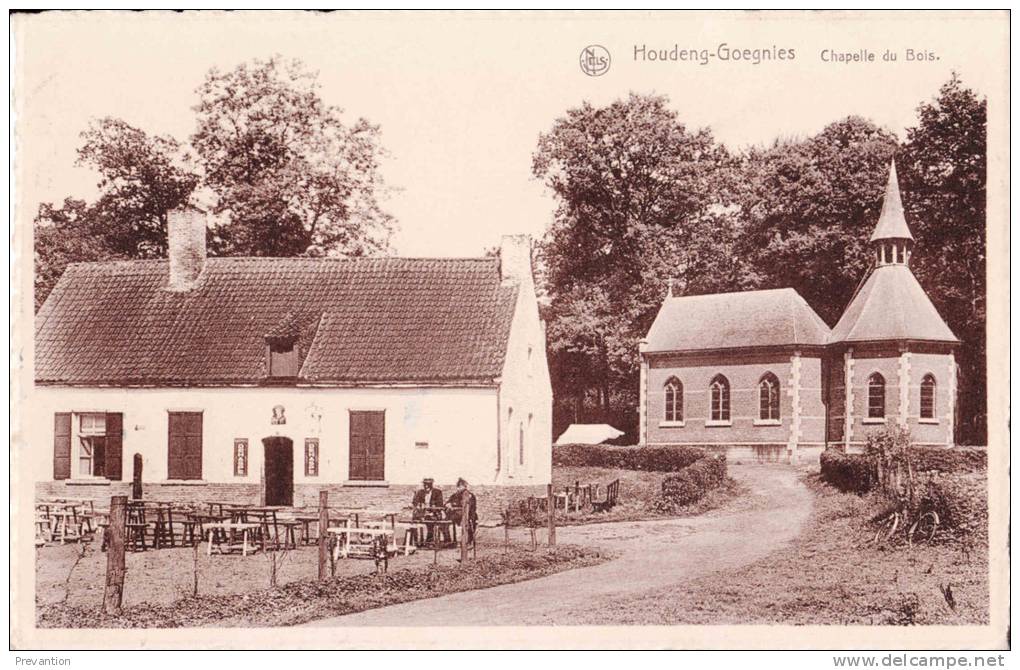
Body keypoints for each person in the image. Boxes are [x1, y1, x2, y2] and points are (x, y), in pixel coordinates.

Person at [446, 477, 478, 545]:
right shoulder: (455, 495)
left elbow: (471, 507)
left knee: (469, 524)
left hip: (468, 515)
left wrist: (454, 505)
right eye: (458, 486)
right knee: (444, 524)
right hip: (455, 515)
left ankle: (469, 541)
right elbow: (447, 503)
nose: (458, 488)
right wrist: (448, 504)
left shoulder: (469, 495)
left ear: (464, 486)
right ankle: (448, 540)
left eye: (460, 486)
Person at [411, 478, 444, 544]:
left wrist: (433, 510)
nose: (426, 486)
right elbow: (415, 502)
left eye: (428, 485)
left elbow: (440, 504)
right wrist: (416, 505)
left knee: (430, 522)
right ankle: (416, 541)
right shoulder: (420, 492)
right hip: (422, 513)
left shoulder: (437, 492)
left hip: (434, 513)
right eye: (425, 484)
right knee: (413, 521)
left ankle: (429, 541)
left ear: (431, 485)